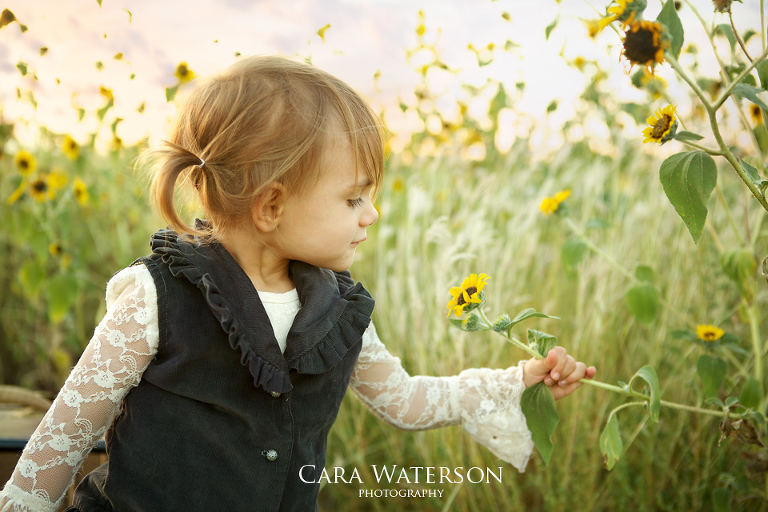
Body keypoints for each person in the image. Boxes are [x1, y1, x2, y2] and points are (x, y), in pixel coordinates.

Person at [0, 55, 596, 512]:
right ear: (272, 205)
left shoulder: (335, 312)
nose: (371, 215)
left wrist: (515, 380)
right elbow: (63, 440)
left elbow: (407, 400)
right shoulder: (157, 297)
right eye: (353, 197)